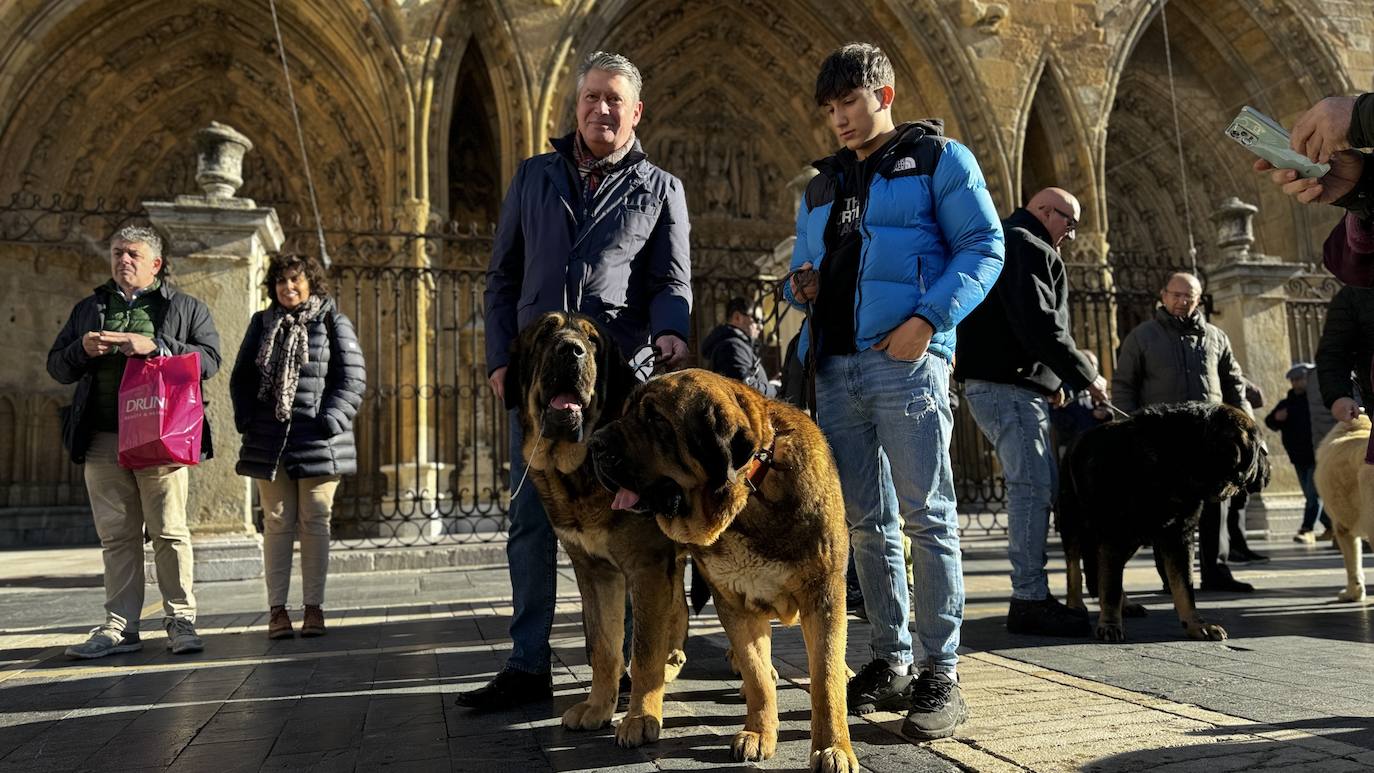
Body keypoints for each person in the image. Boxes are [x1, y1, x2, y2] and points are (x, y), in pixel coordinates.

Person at [460, 50, 692, 711]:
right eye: (591, 97)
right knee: (531, 522)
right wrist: (501, 359)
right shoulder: (535, 177)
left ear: (635, 110)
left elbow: (671, 281)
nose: (601, 108)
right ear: (577, 104)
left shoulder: (660, 187)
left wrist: (671, 330)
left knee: (631, 529)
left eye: (614, 99)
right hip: (538, 384)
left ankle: (629, 663)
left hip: (616, 389)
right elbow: (503, 276)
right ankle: (528, 663)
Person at [784, 43, 1003, 740]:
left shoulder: (940, 159)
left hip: (906, 361)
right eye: (830, 109)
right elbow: (802, 263)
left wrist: (928, 319)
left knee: (927, 516)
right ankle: (890, 658)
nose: (840, 119)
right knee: (864, 525)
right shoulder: (818, 187)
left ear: (884, 93)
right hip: (837, 366)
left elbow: (984, 245)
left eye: (850, 102)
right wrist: (804, 282)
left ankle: (942, 672)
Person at [47, 225, 221, 658]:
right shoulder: (90, 307)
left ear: (155, 264)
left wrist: (154, 346)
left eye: (133, 255)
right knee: (117, 536)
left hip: (159, 437)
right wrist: (82, 350)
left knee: (169, 531)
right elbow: (57, 367)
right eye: (117, 253)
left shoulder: (185, 306)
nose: (123, 260)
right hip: (104, 437)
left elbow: (210, 361)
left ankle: (180, 620)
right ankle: (120, 627)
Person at [955, 187, 1108, 637]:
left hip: (1003, 381)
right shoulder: (1028, 244)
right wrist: (1086, 377)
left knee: (1035, 485)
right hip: (1008, 386)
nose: (1071, 235)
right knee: (1031, 488)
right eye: (1069, 222)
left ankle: (1032, 592)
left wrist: (1052, 380)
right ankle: (1029, 598)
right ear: (1044, 211)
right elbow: (1040, 322)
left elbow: (1015, 322)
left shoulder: (1001, 240)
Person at [230, 254, 366, 640]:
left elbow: (352, 378)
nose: (288, 288)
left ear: (311, 283)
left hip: (318, 439)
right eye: (280, 281)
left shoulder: (332, 320)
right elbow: (241, 378)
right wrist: (247, 420)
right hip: (269, 439)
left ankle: (313, 608)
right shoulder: (261, 324)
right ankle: (276, 611)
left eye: (295, 280)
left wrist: (330, 421)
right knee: (275, 521)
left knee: (315, 520)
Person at [1112, 272, 1254, 592]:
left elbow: (1234, 383)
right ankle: (1172, 575)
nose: (1182, 301)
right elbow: (1124, 386)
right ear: (1163, 295)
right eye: (1175, 295)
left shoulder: (1217, 337)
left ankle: (1216, 570)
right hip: (1164, 440)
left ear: (1199, 299)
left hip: (1212, 440)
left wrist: (1247, 425)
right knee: (1169, 511)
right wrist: (1129, 429)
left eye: (1188, 296)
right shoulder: (1141, 337)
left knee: (1217, 504)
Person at [1266, 363, 1332, 543]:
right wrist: (1276, 418)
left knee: (1313, 494)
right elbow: (1270, 421)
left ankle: (1306, 529)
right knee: (1311, 495)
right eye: (1293, 380)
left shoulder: (1315, 401)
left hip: (1316, 455)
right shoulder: (1287, 402)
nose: (1296, 383)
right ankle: (1331, 527)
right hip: (1298, 457)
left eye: (1299, 379)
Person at [702, 296, 775, 396]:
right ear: (737, 317)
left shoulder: (737, 345)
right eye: (757, 320)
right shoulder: (732, 346)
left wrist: (767, 384)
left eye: (762, 322)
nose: (761, 327)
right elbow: (744, 388)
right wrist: (773, 388)